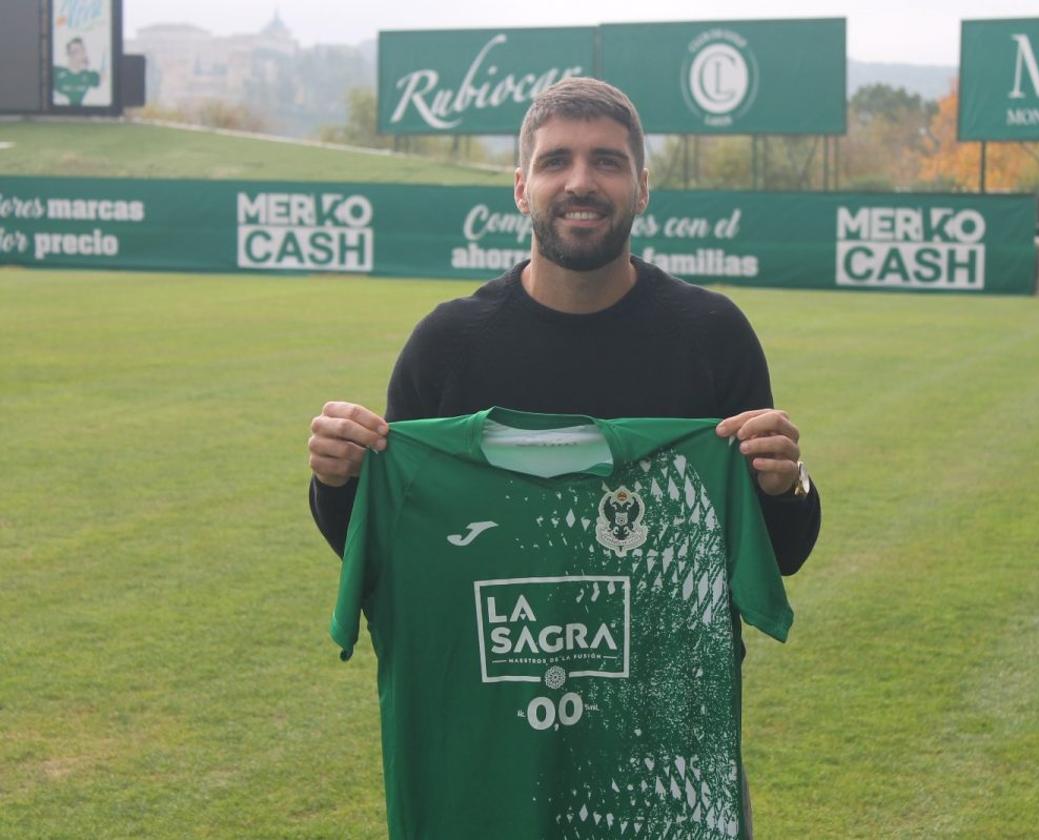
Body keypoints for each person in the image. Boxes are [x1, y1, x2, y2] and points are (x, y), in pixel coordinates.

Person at [308, 76, 821, 835]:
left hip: (670, 769)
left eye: (608, 162)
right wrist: (338, 478)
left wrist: (789, 485)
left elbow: (779, 551)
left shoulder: (712, 336)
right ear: (521, 187)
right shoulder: (448, 346)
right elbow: (386, 545)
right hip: (491, 760)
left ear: (643, 187)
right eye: (556, 162)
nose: (581, 182)